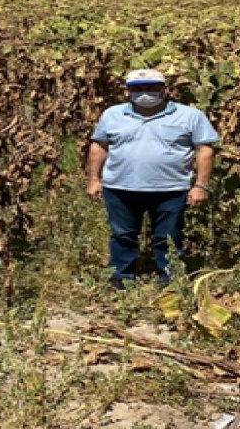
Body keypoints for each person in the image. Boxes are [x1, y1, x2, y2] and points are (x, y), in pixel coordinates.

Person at [86, 69, 219, 289]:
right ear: (128, 91)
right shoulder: (112, 115)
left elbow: (205, 150)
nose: (144, 93)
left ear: (164, 89)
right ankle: (120, 279)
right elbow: (99, 146)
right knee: (122, 235)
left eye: (151, 87)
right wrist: (93, 179)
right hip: (120, 187)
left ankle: (170, 281)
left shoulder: (190, 116)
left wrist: (201, 185)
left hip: (171, 189)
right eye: (137, 88)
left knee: (168, 238)